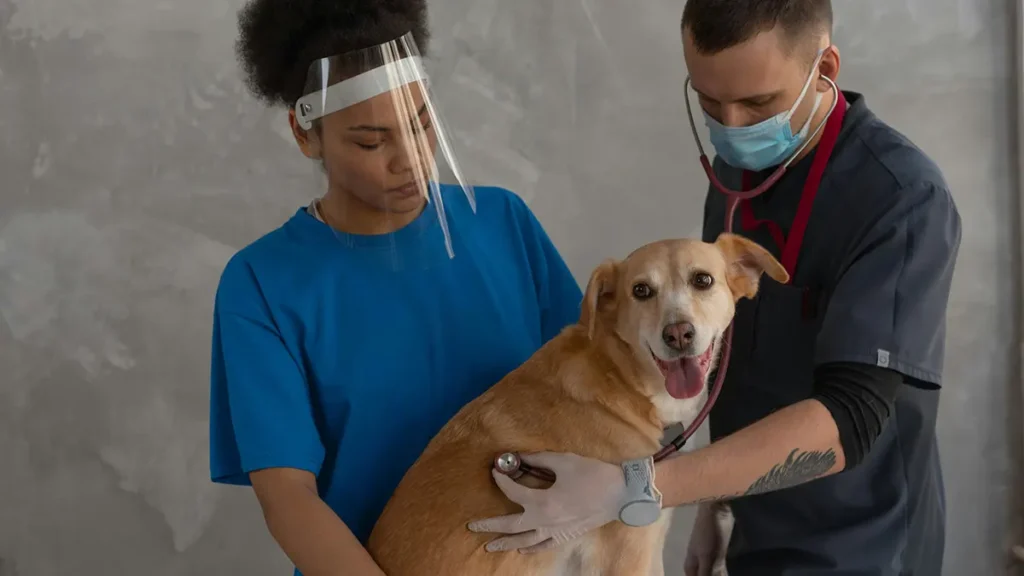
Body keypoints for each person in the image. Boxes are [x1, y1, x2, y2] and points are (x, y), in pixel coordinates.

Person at [469, 1, 962, 575]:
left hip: (861, 548)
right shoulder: (736, 174)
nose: (732, 126)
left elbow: (850, 417)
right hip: (758, 530)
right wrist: (716, 503)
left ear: (825, 67)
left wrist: (638, 486)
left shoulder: (901, 198)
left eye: (757, 104)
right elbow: (722, 351)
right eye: (709, 102)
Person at [207, 1, 583, 575]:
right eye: (369, 141)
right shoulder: (263, 284)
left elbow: (591, 392)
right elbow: (288, 498)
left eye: (421, 123)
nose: (409, 159)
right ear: (306, 135)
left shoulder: (504, 224)